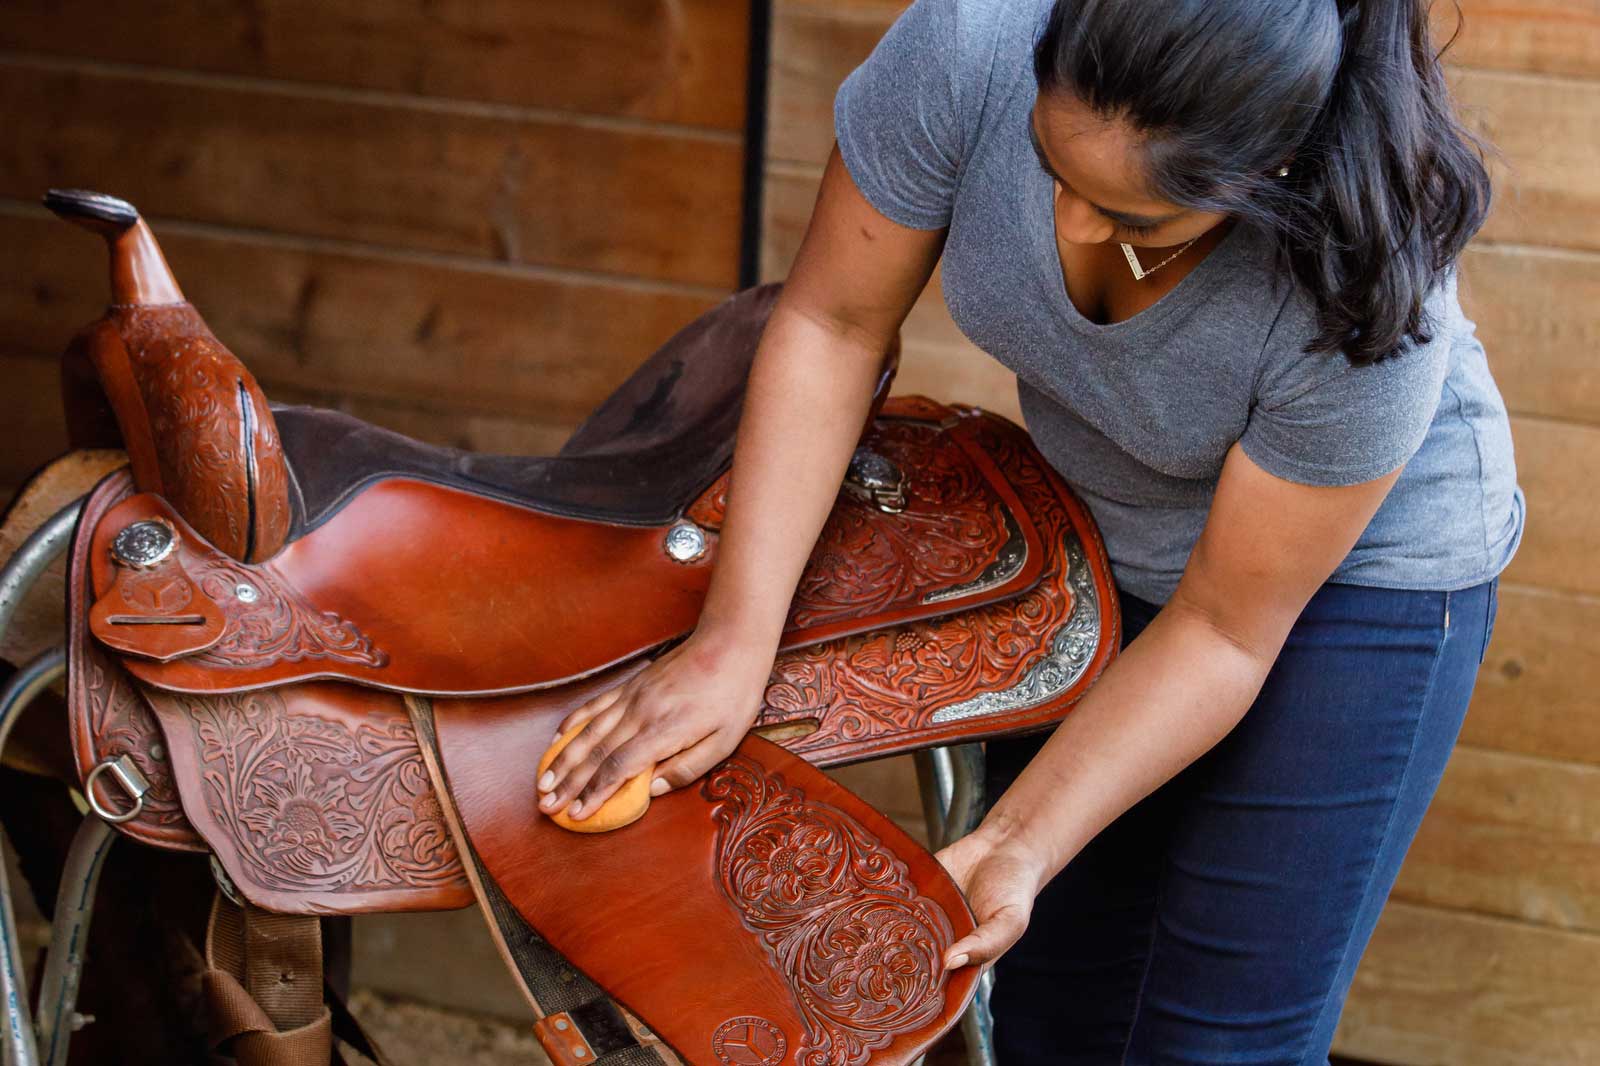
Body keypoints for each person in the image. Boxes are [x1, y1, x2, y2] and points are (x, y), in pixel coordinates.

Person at [534, 0, 1524, 1060]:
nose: (1071, 228)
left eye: (1134, 219)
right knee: (1054, 1013)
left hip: (1352, 584)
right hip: (1099, 527)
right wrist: (731, 644)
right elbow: (832, 324)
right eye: (1052, 168)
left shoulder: (1369, 293)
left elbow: (1224, 631)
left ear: (1267, 171)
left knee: (1213, 1042)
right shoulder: (972, 47)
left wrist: (1014, 839)